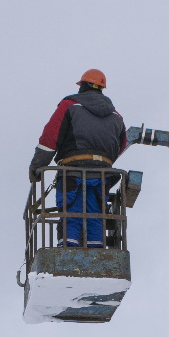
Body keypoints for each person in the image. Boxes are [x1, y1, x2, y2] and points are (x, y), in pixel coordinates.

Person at [29, 68, 127, 247]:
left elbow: (50, 139)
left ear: (82, 86)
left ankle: (68, 249)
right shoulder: (116, 117)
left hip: (72, 172)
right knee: (96, 214)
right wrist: (100, 160)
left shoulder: (69, 106)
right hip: (102, 174)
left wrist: (37, 166)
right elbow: (121, 145)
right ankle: (96, 250)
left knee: (71, 211)